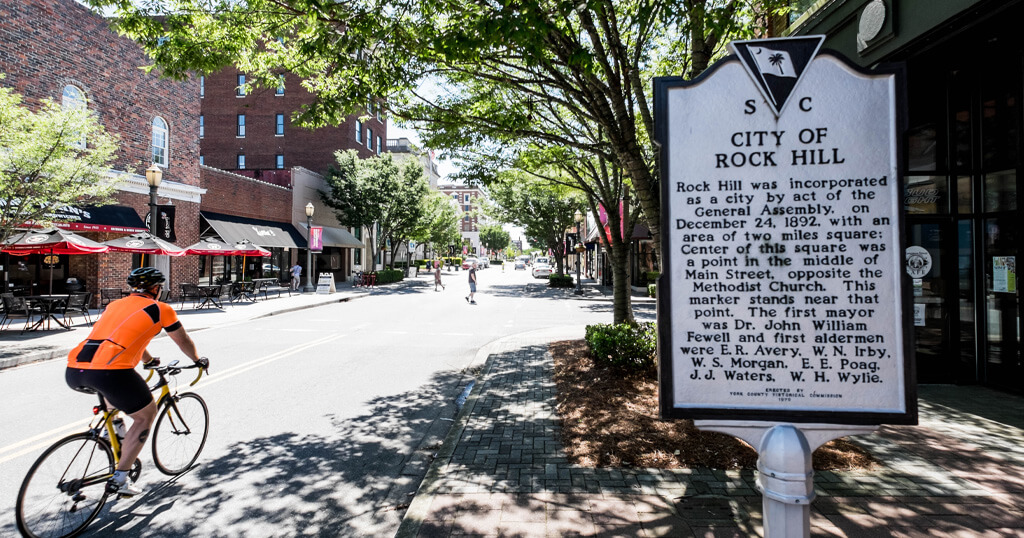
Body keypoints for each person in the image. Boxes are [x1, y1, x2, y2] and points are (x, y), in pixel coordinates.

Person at [65, 267, 207, 497]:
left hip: (76, 368)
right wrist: (198, 360)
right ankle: (120, 479)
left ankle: (114, 432)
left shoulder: (115, 305)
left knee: (115, 402)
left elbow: (125, 337)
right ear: (156, 289)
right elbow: (183, 341)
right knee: (144, 416)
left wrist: (149, 360)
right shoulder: (161, 309)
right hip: (111, 372)